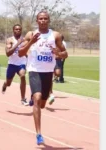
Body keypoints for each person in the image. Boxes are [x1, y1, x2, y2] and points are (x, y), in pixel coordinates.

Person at [18, 11, 68, 145]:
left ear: (49, 20)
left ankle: (35, 95)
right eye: (41, 19)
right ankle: (39, 134)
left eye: (45, 19)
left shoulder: (55, 35)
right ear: (37, 20)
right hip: (34, 70)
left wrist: (58, 53)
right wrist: (31, 42)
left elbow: (65, 54)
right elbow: (21, 53)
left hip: (47, 73)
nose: (43, 21)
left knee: (43, 104)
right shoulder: (31, 34)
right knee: (37, 99)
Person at [2, 24, 29, 106]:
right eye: (16, 29)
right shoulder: (10, 40)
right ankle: (5, 84)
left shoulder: (25, 40)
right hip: (12, 64)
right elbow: (8, 53)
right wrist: (17, 44)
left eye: (19, 29)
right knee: (9, 83)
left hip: (21, 63)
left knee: (23, 76)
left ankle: (23, 99)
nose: (18, 31)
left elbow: (26, 52)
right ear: (13, 30)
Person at [48, 35, 67, 105]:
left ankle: (54, 78)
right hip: (49, 61)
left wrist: (59, 55)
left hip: (57, 60)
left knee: (58, 73)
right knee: (49, 78)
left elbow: (65, 53)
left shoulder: (62, 45)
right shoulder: (50, 44)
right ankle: (50, 92)